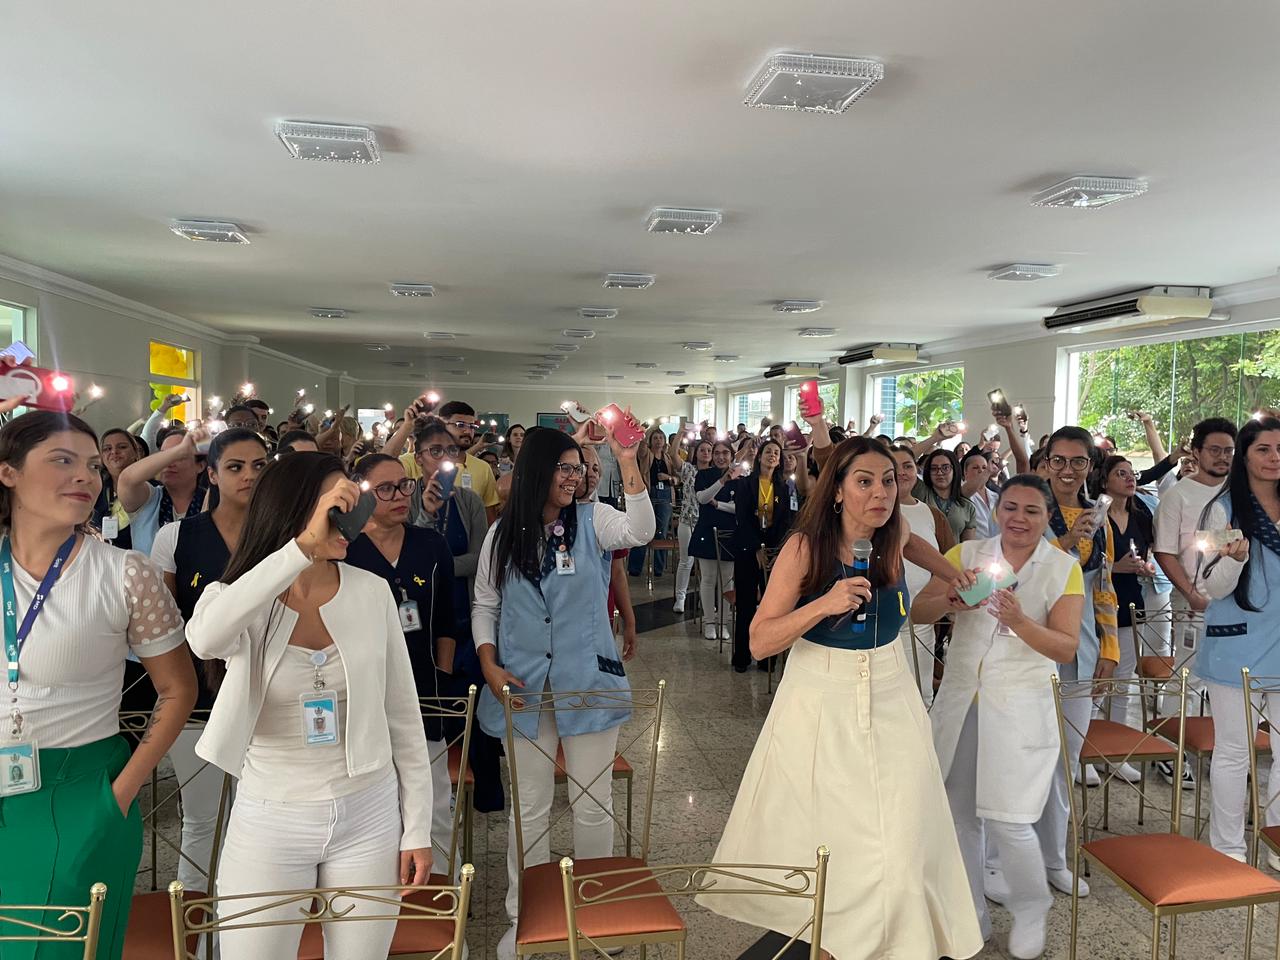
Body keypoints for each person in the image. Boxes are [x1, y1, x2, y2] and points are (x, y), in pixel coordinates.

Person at [699, 437, 983, 960]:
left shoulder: (893, 532)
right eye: (864, 482)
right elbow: (760, 640)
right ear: (836, 490)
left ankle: (896, 940)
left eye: (889, 481)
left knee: (902, 833)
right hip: (822, 696)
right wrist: (822, 604)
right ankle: (830, 941)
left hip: (892, 690)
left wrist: (954, 576)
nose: (881, 493)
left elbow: (916, 546)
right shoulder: (804, 548)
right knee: (831, 838)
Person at [185, 452, 434, 960]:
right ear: (296, 510)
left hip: (368, 811)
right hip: (270, 814)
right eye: (339, 508)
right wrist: (300, 550)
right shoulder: (239, 597)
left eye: (354, 505)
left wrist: (417, 827)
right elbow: (205, 639)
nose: (353, 522)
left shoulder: (371, 592)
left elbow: (404, 717)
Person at [0, 410, 197, 960]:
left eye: (92, 465)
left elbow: (178, 689)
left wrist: (121, 792)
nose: (85, 476)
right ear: (8, 472)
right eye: (63, 461)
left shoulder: (125, 573)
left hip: (80, 790)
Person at [471, 419, 653, 957]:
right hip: (522, 686)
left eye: (578, 468)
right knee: (528, 807)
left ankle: (594, 911)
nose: (574, 478)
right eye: (564, 468)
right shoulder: (502, 534)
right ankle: (524, 915)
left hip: (588, 684)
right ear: (536, 471)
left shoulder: (594, 520)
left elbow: (641, 530)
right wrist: (488, 663)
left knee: (591, 802)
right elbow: (485, 604)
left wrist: (626, 461)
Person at [915, 475, 1084, 958]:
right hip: (963, 702)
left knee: (1010, 820)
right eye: (1010, 507)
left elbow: (1066, 647)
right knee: (959, 815)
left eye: (1032, 510)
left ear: (1048, 517)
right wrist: (949, 601)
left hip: (1018, 706)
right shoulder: (966, 555)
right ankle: (971, 915)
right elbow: (919, 611)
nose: (1019, 519)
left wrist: (1020, 622)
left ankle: (1031, 906)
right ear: (996, 509)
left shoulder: (1062, 568)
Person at [986, 426, 1119, 904]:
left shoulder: (1098, 518)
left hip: (1077, 650)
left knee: (1064, 762)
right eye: (1058, 460)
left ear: (1090, 466)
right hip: (1021, 649)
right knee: (1015, 756)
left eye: (1078, 461)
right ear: (1044, 462)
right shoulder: (1025, 512)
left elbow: (1104, 585)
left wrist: (1109, 650)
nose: (1067, 470)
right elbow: (1012, 573)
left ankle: (1052, 858)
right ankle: (997, 861)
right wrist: (1062, 540)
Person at [150, 427, 269, 893]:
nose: (249, 476)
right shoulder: (177, 536)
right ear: (213, 474)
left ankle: (249, 919)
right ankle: (195, 924)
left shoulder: (284, 537)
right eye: (236, 467)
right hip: (197, 694)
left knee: (260, 819)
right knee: (201, 818)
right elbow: (164, 626)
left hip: (266, 693)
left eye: (259, 466)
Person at [344, 453, 460, 873]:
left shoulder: (430, 545)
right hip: (363, 695)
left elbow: (446, 619)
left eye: (404, 485)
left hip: (423, 691)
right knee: (373, 813)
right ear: (361, 494)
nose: (400, 496)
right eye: (385, 489)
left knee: (432, 803)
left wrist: (441, 676)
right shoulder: (344, 549)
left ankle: (443, 898)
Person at [1195, 416, 1280, 863]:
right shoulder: (1221, 511)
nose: (1274, 458)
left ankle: (1276, 843)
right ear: (1244, 456)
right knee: (1234, 751)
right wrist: (1234, 560)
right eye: (1264, 449)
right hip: (1236, 645)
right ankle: (1227, 851)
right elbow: (1210, 586)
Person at [407, 416, 501, 813]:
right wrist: (428, 520)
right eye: (435, 451)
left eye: (451, 450)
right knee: (428, 707)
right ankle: (428, 797)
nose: (445, 457)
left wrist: (436, 566)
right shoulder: (406, 499)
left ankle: (488, 798)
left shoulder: (469, 501)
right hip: (418, 620)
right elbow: (407, 558)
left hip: (463, 614)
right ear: (418, 457)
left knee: (474, 704)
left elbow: (479, 558)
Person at [1098, 454, 1160, 767]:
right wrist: (1114, 567)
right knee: (1097, 679)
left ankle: (1114, 753)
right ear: (1105, 480)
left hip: (1133, 599)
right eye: (1121, 473)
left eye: (1131, 473)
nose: (1129, 478)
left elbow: (1146, 555)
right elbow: (1083, 563)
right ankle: (1088, 749)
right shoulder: (1097, 516)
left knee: (1123, 682)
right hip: (1101, 603)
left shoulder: (1141, 516)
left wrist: (1145, 568)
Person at [891, 443, 955, 704]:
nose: (901, 473)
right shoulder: (873, 512)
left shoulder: (932, 514)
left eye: (907, 466)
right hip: (884, 619)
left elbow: (947, 560)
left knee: (921, 695)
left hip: (921, 620)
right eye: (894, 468)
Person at [731, 439, 793, 672]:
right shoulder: (746, 484)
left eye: (777, 452)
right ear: (759, 456)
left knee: (771, 607)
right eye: (768, 451)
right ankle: (742, 656)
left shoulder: (784, 488)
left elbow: (785, 521)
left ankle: (767, 659)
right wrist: (757, 546)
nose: (772, 455)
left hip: (773, 553)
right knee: (745, 605)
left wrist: (774, 550)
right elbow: (743, 517)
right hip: (748, 551)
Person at [388, 401, 501, 525]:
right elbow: (381, 465)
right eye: (460, 425)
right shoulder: (418, 459)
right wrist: (407, 426)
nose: (468, 431)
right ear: (442, 425)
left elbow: (489, 519)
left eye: (472, 426)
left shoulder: (482, 468)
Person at [117, 424, 209, 557]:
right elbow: (126, 480)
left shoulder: (210, 500)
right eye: (165, 456)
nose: (169, 464)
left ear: (200, 466)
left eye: (180, 456)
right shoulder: (149, 499)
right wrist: (180, 450)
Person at [689, 441, 745, 641]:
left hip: (730, 533)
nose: (721, 457)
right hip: (707, 530)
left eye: (725, 453)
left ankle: (723, 622)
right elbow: (703, 498)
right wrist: (722, 481)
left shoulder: (740, 479)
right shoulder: (703, 475)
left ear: (731, 455)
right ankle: (709, 622)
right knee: (708, 578)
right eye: (717, 453)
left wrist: (719, 504)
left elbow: (739, 508)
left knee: (727, 580)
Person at [629, 426, 679, 578]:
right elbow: (642, 449)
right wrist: (645, 431)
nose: (658, 441)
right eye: (655, 438)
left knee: (661, 532)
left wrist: (668, 478)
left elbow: (677, 478)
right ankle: (635, 568)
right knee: (643, 530)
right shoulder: (646, 455)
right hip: (649, 494)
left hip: (665, 495)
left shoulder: (668, 458)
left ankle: (659, 568)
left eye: (661, 438)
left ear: (665, 441)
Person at [674, 440, 713, 613]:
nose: (706, 453)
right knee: (686, 560)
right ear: (696, 453)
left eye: (709, 450)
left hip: (706, 522)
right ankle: (680, 597)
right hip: (687, 520)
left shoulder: (715, 473)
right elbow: (673, 454)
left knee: (706, 565)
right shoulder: (689, 470)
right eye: (702, 450)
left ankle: (705, 599)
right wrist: (681, 432)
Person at [93, 427, 143, 549]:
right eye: (107, 449)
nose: (114, 452)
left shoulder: (154, 489)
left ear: (136, 452)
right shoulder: (95, 489)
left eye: (122, 447)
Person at [916, 448, 978, 544]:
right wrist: (934, 439)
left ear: (955, 469)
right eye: (934, 468)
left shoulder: (967, 506)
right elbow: (900, 459)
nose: (939, 473)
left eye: (945, 468)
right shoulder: (921, 492)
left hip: (953, 554)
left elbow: (968, 547)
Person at [961, 448, 998, 539]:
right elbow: (965, 492)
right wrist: (987, 471)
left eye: (984, 467)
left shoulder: (995, 496)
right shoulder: (961, 491)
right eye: (975, 467)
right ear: (965, 472)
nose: (981, 471)